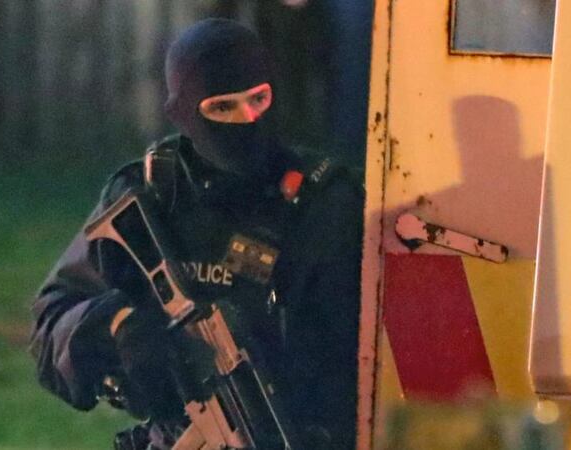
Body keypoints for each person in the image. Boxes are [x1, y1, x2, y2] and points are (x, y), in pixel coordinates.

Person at [29, 18, 362, 449]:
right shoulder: (150, 198)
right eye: (223, 108)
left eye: (259, 99)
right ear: (184, 113)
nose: (248, 120)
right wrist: (117, 326)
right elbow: (52, 322)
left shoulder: (328, 202)